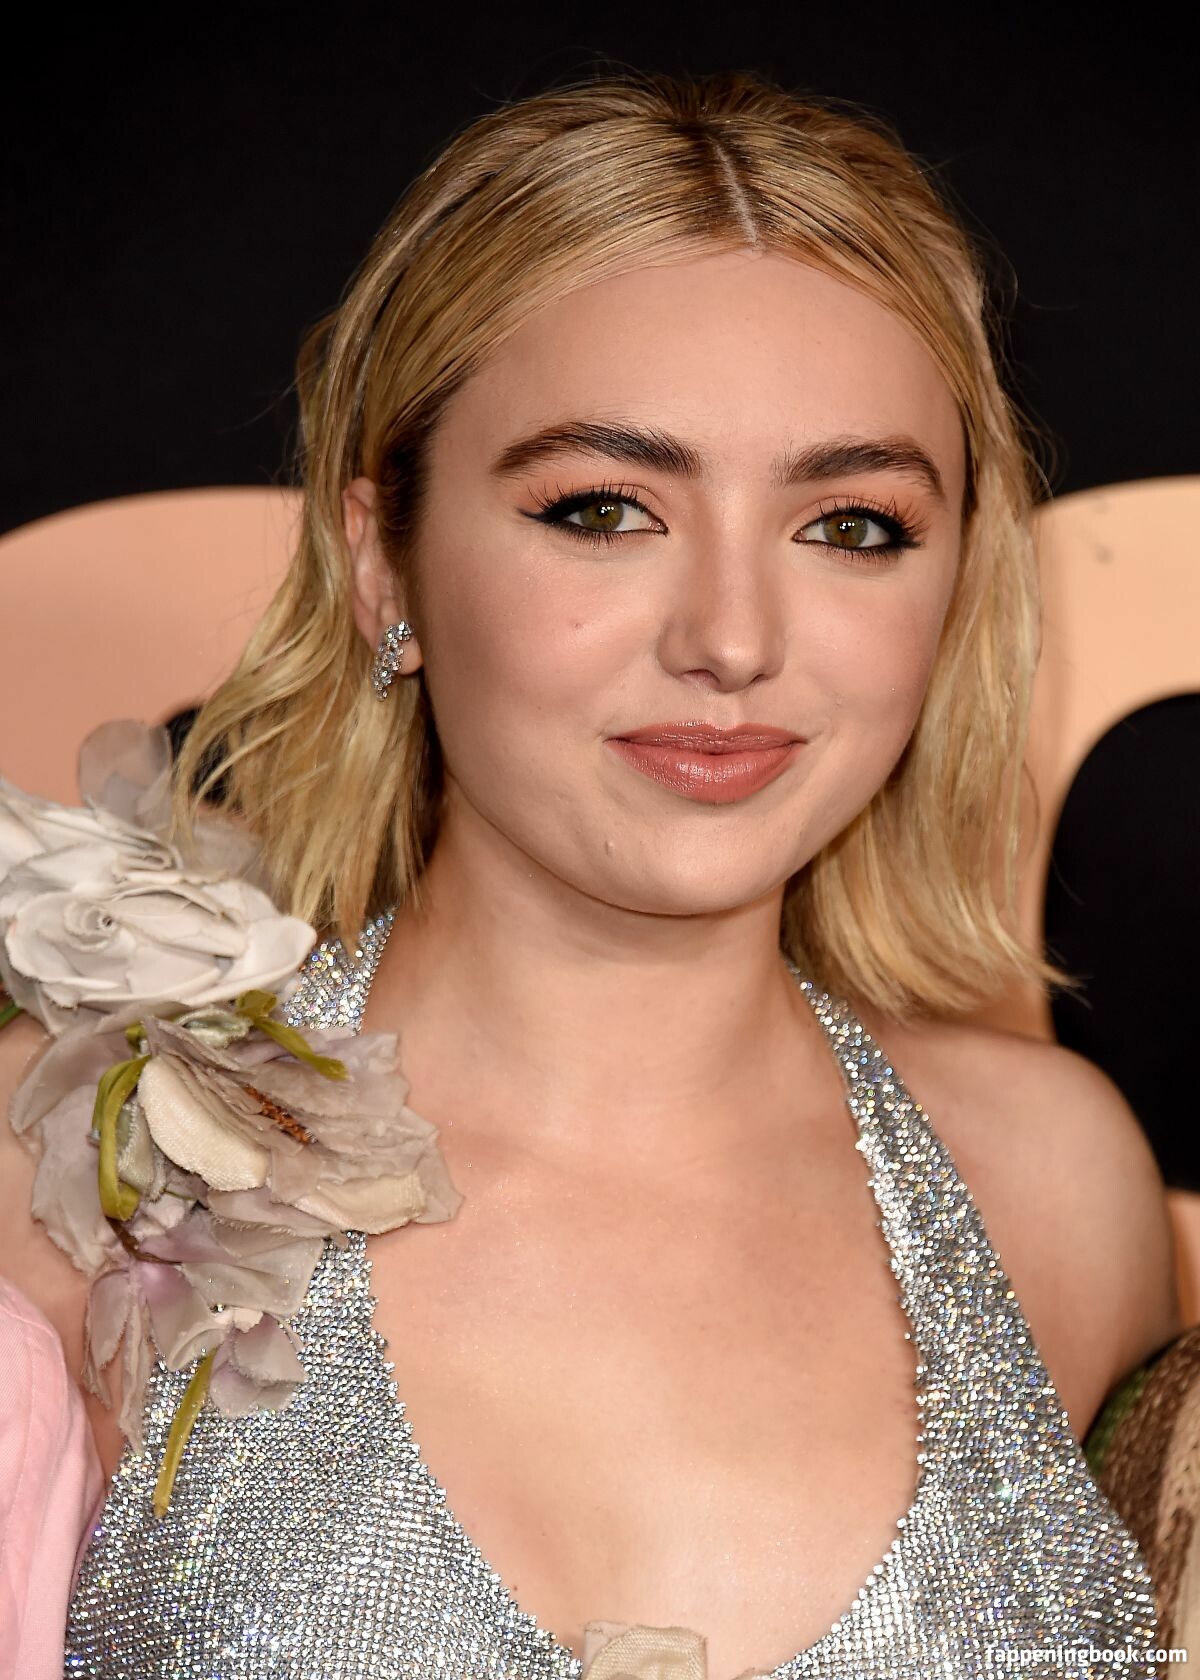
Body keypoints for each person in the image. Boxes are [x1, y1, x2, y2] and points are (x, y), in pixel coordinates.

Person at [0, 65, 1185, 1678]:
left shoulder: (1052, 1189)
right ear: (382, 560)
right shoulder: (75, 1174)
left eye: (852, 525)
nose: (733, 640)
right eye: (605, 510)